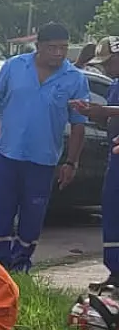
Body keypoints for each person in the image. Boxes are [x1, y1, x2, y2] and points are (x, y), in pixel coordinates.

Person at [0, 22, 90, 273]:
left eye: (63, 48)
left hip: (43, 161)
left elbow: (79, 124)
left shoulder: (75, 79)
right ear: (38, 47)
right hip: (7, 155)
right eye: (52, 48)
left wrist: (71, 162)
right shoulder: (15, 66)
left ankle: (21, 265)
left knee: (32, 217)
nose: (58, 54)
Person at [69, 37, 119, 287]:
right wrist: (92, 113)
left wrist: (105, 111)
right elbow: (109, 119)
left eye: (109, 63)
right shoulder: (114, 85)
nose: (106, 69)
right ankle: (115, 273)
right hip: (114, 157)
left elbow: (113, 111)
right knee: (111, 213)